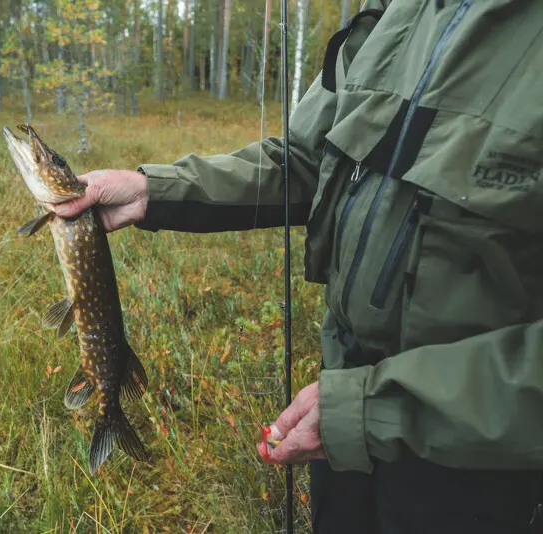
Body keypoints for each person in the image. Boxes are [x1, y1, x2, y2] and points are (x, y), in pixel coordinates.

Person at [54, 0, 543, 532]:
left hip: (476, 463)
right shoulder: (394, 19)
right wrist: (155, 190)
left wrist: (373, 410)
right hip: (336, 416)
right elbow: (305, 162)